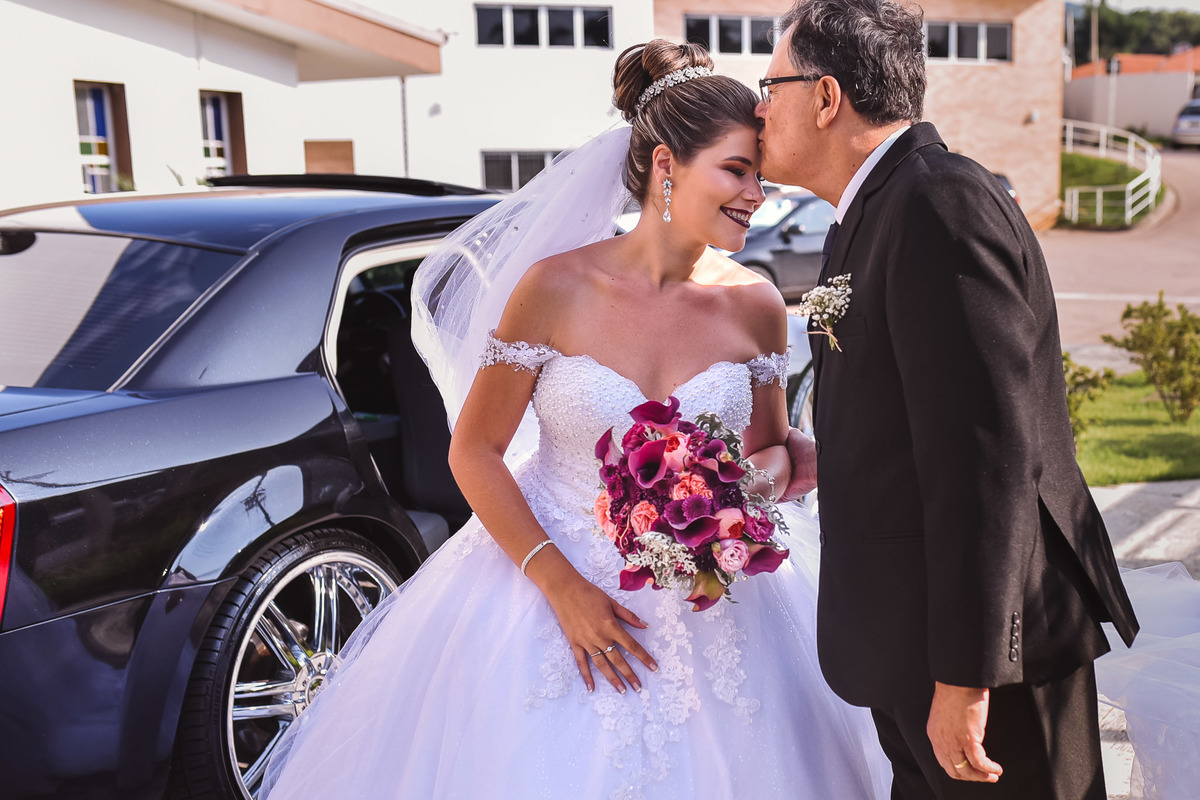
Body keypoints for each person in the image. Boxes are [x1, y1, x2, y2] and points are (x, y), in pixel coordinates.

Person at [260, 41, 891, 799]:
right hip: (544, 581)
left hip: (718, 606)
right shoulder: (554, 289)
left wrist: (727, 507)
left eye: (760, 172)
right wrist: (560, 587)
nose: (758, 193)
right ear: (666, 166)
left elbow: (767, 456)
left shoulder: (756, 305)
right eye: (736, 169)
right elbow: (476, 452)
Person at [758, 2, 1142, 799]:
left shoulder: (938, 202)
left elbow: (987, 456)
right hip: (907, 646)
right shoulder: (863, 215)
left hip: (982, 659)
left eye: (770, 85)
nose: (758, 108)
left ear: (826, 98)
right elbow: (917, 413)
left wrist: (968, 677)